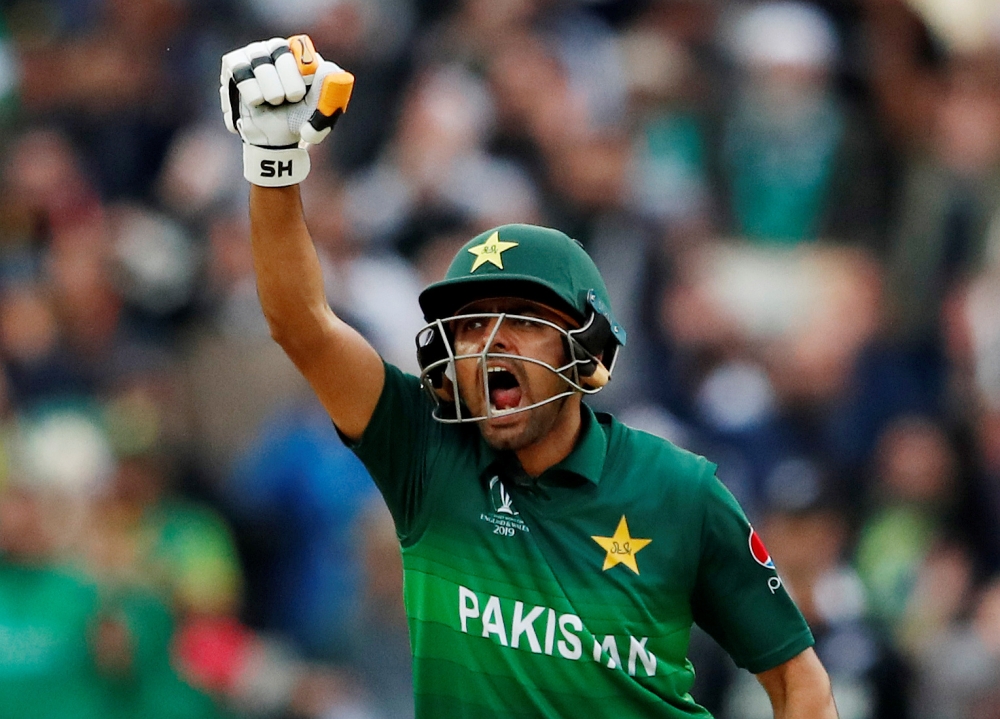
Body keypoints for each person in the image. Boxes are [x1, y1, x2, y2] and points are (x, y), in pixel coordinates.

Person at [220, 34, 839, 718]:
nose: (489, 346)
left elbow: (797, 679)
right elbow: (300, 321)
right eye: (470, 326)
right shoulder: (425, 453)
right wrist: (274, 163)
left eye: (521, 319)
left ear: (589, 350)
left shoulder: (680, 491)